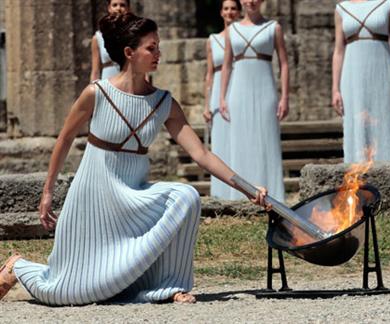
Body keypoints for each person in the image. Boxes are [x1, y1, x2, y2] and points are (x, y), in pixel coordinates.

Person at [0, 13, 269, 305]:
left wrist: (249, 189)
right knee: (67, 293)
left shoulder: (163, 102)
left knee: (187, 196)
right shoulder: (96, 93)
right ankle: (19, 266)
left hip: (133, 199)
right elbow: (64, 140)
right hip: (93, 201)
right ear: (130, 53)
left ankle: (168, 286)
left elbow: (201, 154)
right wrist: (48, 192)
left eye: (158, 47)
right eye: (151, 48)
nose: (158, 54)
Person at [219, 0, 289, 202]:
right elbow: (226, 66)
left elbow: (284, 64)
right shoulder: (233, 30)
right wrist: (222, 97)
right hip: (238, 91)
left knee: (267, 139)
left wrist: (284, 96)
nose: (251, 1)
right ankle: (242, 196)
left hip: (265, 89)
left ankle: (273, 195)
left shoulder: (273, 28)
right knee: (240, 141)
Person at [332, 0, 390, 163]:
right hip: (351, 78)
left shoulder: (389, 4)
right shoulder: (341, 9)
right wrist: (335, 89)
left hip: (383, 74)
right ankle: (356, 182)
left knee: (384, 127)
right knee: (356, 128)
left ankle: (388, 179)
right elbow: (338, 51)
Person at [203, 0, 241, 199]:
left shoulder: (243, 36)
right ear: (221, 12)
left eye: (233, 8)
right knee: (221, 143)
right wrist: (206, 104)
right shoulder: (213, 40)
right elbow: (209, 74)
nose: (230, 12)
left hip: (239, 84)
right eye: (226, 9)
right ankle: (221, 193)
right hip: (219, 87)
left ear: (239, 12)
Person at [90, 0, 130, 81]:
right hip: (107, 82)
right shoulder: (98, 37)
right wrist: (93, 90)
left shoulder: (134, 35)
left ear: (128, 8)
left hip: (129, 82)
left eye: (122, 5)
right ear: (109, 8)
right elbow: (95, 71)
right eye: (114, 5)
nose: (118, 8)